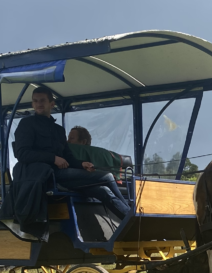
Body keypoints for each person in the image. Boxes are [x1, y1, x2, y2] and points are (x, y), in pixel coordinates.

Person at [10, 86, 130, 235]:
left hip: (63, 175)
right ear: (33, 104)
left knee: (102, 190)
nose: (39, 104)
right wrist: (53, 158)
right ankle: (133, 217)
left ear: (51, 104)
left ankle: (128, 225)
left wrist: (82, 164)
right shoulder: (26, 124)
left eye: (42, 101)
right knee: (106, 176)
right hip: (44, 176)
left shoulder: (58, 130)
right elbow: (22, 154)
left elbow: (68, 157)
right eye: (35, 101)